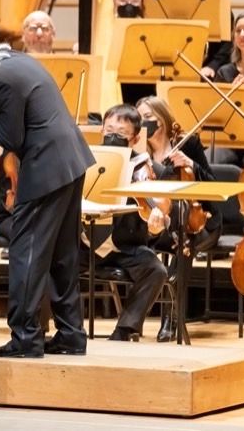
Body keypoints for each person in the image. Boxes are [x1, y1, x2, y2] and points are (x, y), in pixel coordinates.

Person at [0, 32, 95, 357]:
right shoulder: (14, 60)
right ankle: (70, 334)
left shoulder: (0, 81)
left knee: (26, 252)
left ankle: (25, 338)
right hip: (70, 161)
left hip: (45, 168)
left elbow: (11, 139)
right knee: (62, 254)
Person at [136, 95, 221, 342]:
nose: (144, 123)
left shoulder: (187, 144)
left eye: (149, 117)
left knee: (185, 240)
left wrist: (191, 164)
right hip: (159, 225)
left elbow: (214, 186)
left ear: (163, 119)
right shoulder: (139, 152)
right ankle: (136, 317)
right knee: (171, 238)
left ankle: (172, 318)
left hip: (200, 221)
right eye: (139, 118)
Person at [80, 104, 168, 341]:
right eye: (109, 130)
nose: (112, 136)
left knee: (156, 270)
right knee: (46, 259)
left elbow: (156, 212)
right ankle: (62, 329)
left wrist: (155, 226)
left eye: (121, 134)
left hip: (124, 247)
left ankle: (125, 329)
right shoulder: (85, 160)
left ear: (135, 138)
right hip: (84, 242)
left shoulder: (145, 169)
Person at [211, 13, 244, 167]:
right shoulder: (224, 72)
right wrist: (233, 94)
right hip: (229, 140)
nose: (242, 35)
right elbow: (216, 114)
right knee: (209, 159)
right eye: (238, 31)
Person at [174, 0, 231, 79]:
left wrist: (212, 66)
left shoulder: (220, 5)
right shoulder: (173, 6)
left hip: (210, 69)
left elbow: (227, 45)